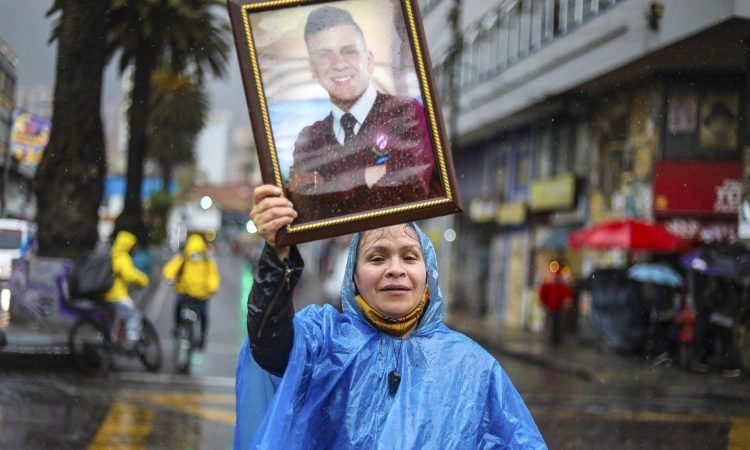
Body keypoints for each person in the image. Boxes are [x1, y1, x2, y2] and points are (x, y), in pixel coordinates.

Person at [233, 185, 545, 449]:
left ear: (428, 272)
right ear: (353, 277)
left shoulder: (473, 365)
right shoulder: (323, 341)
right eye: (377, 257)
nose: (395, 269)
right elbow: (270, 342)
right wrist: (278, 252)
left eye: (410, 257)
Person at [286, 6, 444, 223]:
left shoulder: (407, 114)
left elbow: (409, 193)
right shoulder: (309, 140)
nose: (339, 64)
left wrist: (327, 184)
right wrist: (365, 177)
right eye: (324, 55)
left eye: (349, 51)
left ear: (369, 60)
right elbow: (303, 210)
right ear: (313, 69)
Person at [163, 233, 220, 349]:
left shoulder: (207, 262)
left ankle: (202, 337)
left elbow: (213, 276)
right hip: (185, 292)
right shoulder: (183, 259)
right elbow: (170, 269)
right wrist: (170, 277)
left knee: (203, 315)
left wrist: (212, 287)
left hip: (201, 295)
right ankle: (177, 327)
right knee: (179, 306)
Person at [102, 231, 150, 349]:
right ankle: (132, 343)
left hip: (105, 295)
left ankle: (107, 342)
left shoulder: (112, 255)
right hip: (115, 295)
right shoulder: (122, 257)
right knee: (134, 315)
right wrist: (144, 279)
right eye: (133, 246)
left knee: (110, 320)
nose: (135, 249)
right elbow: (130, 275)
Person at [692, 277, 742, 377]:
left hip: (719, 319)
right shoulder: (736, 290)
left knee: (713, 342)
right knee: (725, 344)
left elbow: (715, 301)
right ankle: (729, 366)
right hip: (725, 320)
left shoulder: (723, 289)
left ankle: (705, 362)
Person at [538, 271, 572, 346]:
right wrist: (542, 303)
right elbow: (543, 294)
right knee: (551, 324)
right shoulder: (548, 286)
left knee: (558, 324)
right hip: (550, 308)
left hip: (559, 309)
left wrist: (567, 302)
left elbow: (567, 295)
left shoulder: (561, 286)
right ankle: (551, 338)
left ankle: (557, 339)